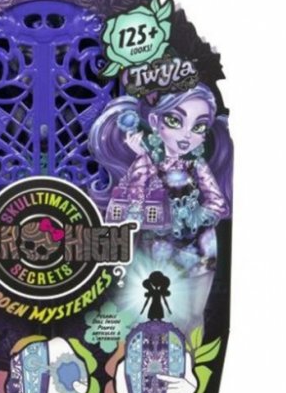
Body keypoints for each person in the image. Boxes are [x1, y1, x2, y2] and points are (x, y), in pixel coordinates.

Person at [89, 84, 232, 331]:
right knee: (160, 314)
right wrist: (141, 158)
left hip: (201, 247)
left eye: (198, 127)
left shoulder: (196, 165)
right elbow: (133, 198)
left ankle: (191, 355)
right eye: (175, 121)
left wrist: (197, 216)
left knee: (195, 315)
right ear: (155, 122)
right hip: (161, 250)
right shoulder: (146, 162)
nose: (187, 135)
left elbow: (217, 201)